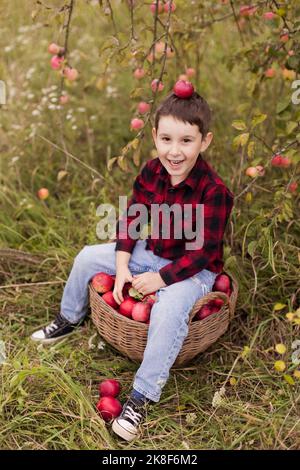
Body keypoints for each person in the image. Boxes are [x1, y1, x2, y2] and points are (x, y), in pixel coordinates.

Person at [31, 84, 234, 442]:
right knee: (88, 257)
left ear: (205, 142)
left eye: (186, 141)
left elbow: (203, 253)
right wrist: (123, 266)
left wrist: (161, 279)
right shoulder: (152, 172)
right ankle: (68, 318)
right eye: (167, 139)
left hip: (194, 272)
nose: (175, 151)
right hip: (152, 254)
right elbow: (131, 220)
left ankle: (141, 396)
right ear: (154, 136)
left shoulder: (213, 191)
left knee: (168, 311)